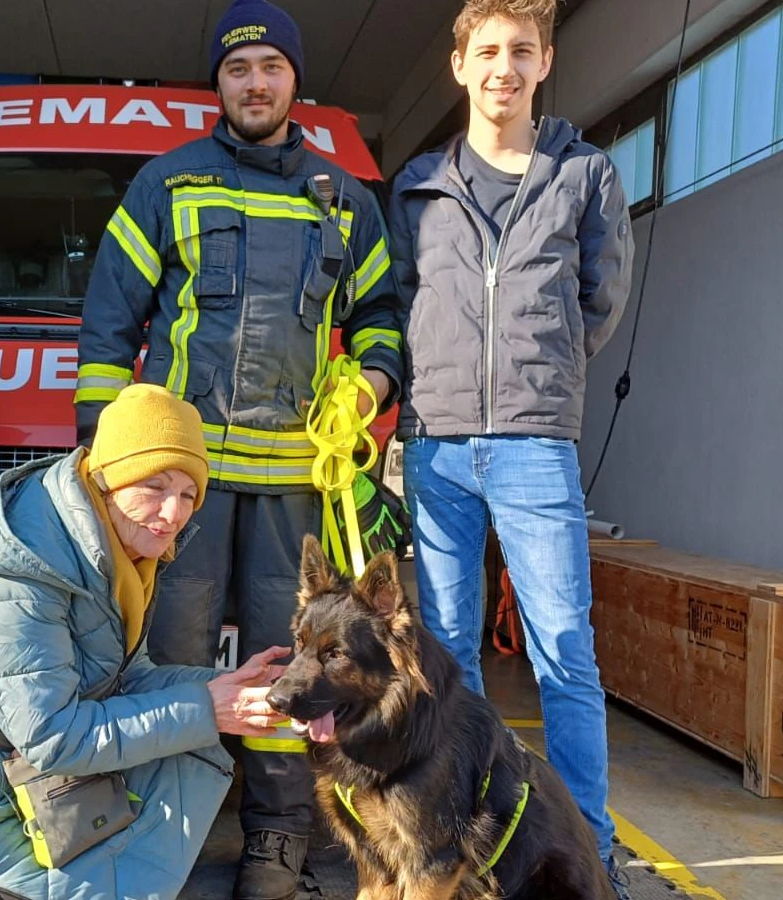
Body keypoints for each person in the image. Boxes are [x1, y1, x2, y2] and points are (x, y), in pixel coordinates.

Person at [71, 2, 405, 896]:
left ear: (295, 80)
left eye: (270, 67)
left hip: (295, 491)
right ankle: (161, 835)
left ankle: (277, 845)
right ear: (216, 84)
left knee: (292, 672)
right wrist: (101, 470)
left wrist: (370, 384)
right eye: (237, 69)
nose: (255, 83)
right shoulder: (168, 184)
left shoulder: (349, 203)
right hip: (183, 493)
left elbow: (383, 324)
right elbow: (108, 329)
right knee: (169, 663)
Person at [385, 0, 634, 896]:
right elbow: (399, 302)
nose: (503, 66)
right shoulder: (417, 183)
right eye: (485, 50)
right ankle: (463, 843)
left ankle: (589, 852)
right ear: (459, 65)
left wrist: (543, 371)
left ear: (545, 61)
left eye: (520, 51)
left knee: (563, 651)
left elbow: (598, 300)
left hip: (535, 445)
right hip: (438, 444)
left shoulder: (583, 174)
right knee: (447, 658)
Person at [0, 384, 289, 900]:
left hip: (7, 773)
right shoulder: (17, 577)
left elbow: (125, 678)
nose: (175, 513)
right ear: (108, 480)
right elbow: (55, 738)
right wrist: (205, 709)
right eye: (155, 486)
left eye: (189, 494)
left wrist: (231, 688)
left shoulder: (111, 549)